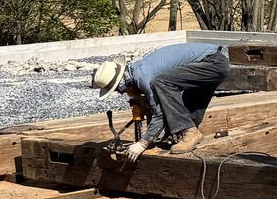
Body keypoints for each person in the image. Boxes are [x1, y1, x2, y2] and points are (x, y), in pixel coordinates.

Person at [90, 42, 232, 157]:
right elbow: (169, 102)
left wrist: (143, 143)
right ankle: (185, 133)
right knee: (182, 95)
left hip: (212, 63)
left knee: (161, 83)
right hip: (214, 62)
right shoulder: (139, 70)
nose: (122, 93)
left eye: (119, 90)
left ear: (123, 83)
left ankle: (190, 132)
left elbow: (160, 112)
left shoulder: (143, 77)